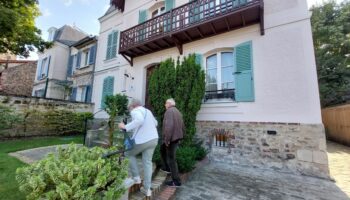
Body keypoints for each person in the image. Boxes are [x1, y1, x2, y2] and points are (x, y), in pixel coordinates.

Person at [118, 99, 159, 197]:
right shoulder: (147, 111)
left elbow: (139, 120)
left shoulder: (135, 111)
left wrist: (125, 127)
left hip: (143, 140)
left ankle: (136, 177)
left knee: (128, 154)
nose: (130, 111)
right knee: (147, 163)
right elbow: (156, 123)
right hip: (154, 139)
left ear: (133, 106)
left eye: (129, 109)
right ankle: (147, 189)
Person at [161, 98, 185, 187]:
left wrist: (167, 140)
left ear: (169, 104)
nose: (165, 105)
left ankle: (176, 181)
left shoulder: (169, 111)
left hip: (171, 139)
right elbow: (183, 125)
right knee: (162, 149)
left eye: (165, 103)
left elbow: (169, 127)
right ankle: (166, 168)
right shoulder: (177, 111)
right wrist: (182, 136)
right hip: (176, 138)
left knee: (172, 160)